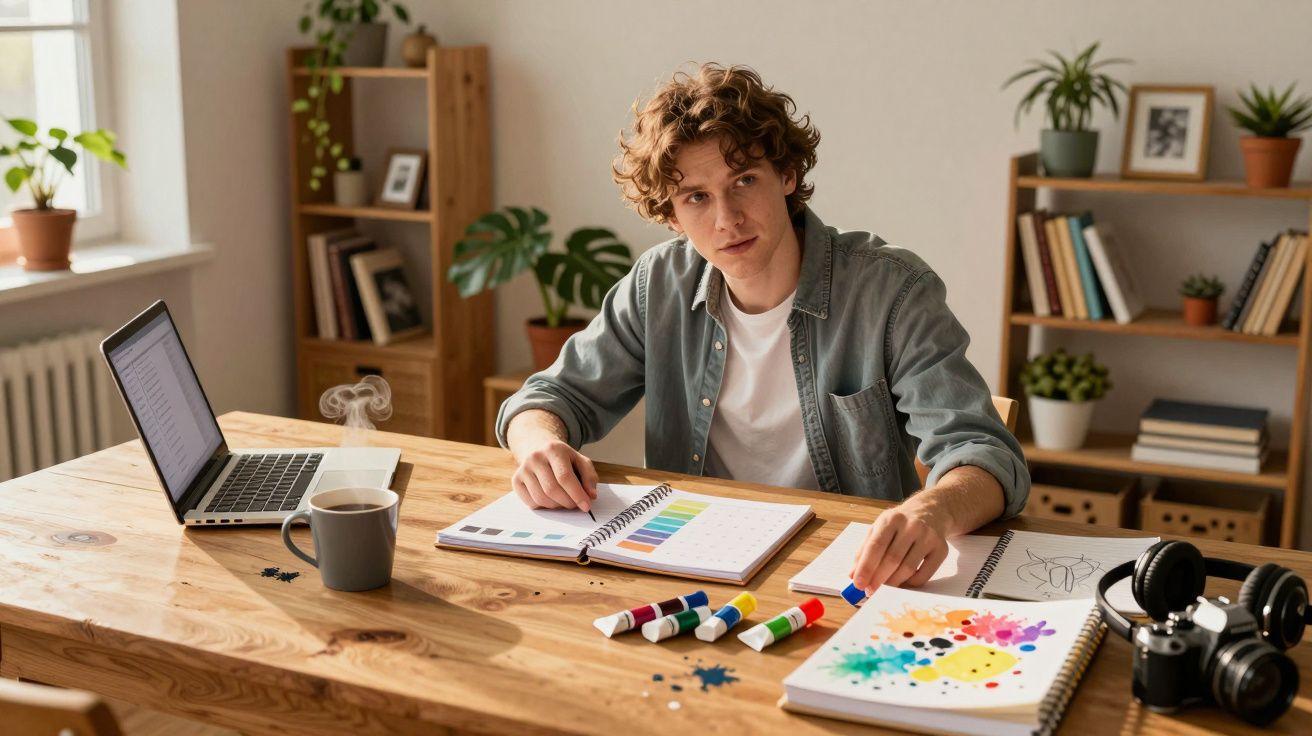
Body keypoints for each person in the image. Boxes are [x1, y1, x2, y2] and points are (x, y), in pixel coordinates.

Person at [496, 63, 1028, 595]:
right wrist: (539, 445)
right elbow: (548, 397)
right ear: (672, 217)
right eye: (696, 197)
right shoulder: (657, 286)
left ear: (788, 176)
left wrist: (932, 512)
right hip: (694, 562)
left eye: (744, 181)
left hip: (846, 572)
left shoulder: (891, 291)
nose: (727, 218)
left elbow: (983, 453)